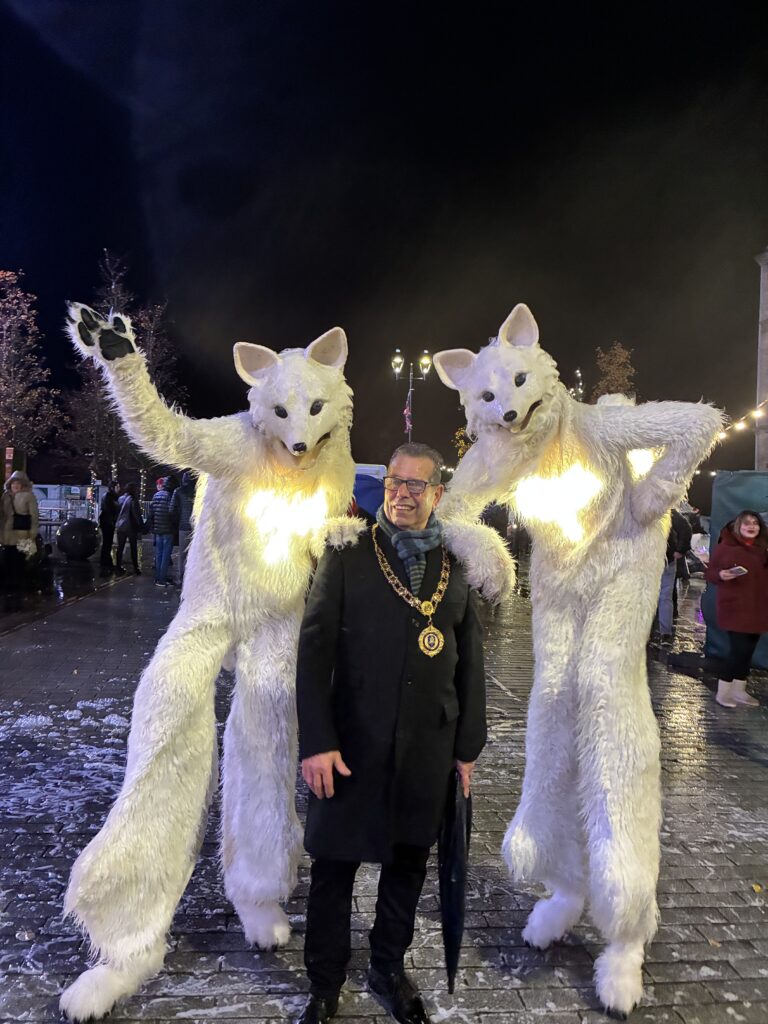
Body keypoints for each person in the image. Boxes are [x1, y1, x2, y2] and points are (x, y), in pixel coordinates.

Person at [294, 442, 486, 1024]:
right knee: (334, 867)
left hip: (427, 746)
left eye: (415, 486)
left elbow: (469, 659)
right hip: (352, 745)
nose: (401, 494)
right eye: (394, 483)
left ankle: (387, 968)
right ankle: (324, 983)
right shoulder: (349, 552)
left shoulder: (454, 562)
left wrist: (466, 748)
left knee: (407, 866)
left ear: (437, 494)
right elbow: (313, 650)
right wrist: (316, 741)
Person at [705, 510, 768, 708]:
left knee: (748, 651)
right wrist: (721, 575)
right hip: (736, 609)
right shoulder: (726, 548)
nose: (752, 526)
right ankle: (724, 692)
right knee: (737, 651)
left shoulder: (762, 549)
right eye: (747, 523)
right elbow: (710, 573)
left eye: (755, 523)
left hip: (758, 609)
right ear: (738, 526)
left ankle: (740, 690)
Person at [1, 470, 39, 609]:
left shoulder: (29, 496)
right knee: (8, 558)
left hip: (23, 534)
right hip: (8, 533)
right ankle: (10, 584)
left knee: (21, 560)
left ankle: (19, 584)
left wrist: (33, 533)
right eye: (13, 483)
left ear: (23, 485)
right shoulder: (6, 496)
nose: (15, 486)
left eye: (18, 483)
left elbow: (34, 516)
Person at [656, 507, 692, 645]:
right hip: (665, 558)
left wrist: (680, 550)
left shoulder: (640, 507)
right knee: (665, 596)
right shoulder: (667, 509)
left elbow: (685, 528)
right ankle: (665, 634)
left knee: (658, 596)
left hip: (659, 560)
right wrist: (679, 550)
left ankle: (659, 633)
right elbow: (685, 528)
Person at [147, 476, 176, 587]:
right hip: (167, 529)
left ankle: (158, 577)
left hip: (157, 530)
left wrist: (152, 527)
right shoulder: (169, 496)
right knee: (165, 555)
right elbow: (171, 511)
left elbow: (151, 513)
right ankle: (162, 579)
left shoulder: (155, 496)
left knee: (158, 554)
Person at [169, 471, 195, 586]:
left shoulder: (178, 491)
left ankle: (181, 579)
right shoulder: (199, 492)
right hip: (196, 527)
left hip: (183, 526)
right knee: (195, 554)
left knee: (182, 555)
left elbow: (171, 510)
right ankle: (193, 580)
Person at [115, 482, 145, 575]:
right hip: (131, 527)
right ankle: (136, 568)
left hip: (120, 526)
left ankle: (118, 566)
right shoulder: (133, 500)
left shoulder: (120, 498)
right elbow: (137, 515)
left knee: (120, 547)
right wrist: (141, 526)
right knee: (133, 548)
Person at [98, 482, 120, 570]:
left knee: (108, 543)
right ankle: (105, 562)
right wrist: (112, 521)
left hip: (108, 522)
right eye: (117, 487)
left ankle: (106, 560)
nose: (119, 488)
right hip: (107, 522)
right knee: (107, 542)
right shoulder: (109, 497)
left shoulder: (111, 496)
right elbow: (109, 510)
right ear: (112, 487)